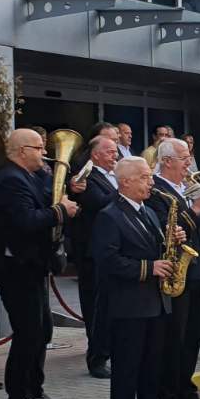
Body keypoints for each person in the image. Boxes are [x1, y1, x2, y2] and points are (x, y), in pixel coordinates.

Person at [91, 157, 181, 399]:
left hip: (154, 302)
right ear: (125, 181)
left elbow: (157, 248)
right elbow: (107, 261)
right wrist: (148, 268)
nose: (151, 182)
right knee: (127, 367)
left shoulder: (149, 213)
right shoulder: (109, 215)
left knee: (151, 363)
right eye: (144, 177)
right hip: (128, 305)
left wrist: (174, 241)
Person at [0, 128, 78, 399]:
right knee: (28, 331)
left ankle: (35, 389)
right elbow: (25, 221)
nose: (44, 153)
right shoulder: (9, 180)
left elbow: (48, 198)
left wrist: (68, 191)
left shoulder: (33, 176)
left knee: (42, 329)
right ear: (21, 150)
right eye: (38, 148)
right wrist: (60, 212)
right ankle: (18, 397)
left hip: (33, 265)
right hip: (16, 267)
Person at [148, 138, 200, 399]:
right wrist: (198, 208)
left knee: (192, 339)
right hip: (176, 272)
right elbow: (169, 229)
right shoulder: (157, 191)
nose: (189, 162)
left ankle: (185, 392)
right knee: (174, 340)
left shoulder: (186, 187)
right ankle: (168, 398)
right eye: (183, 158)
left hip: (196, 270)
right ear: (166, 161)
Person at [72, 135, 120, 377]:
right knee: (97, 307)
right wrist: (125, 188)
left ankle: (109, 350)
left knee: (110, 305)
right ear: (96, 155)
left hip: (110, 250)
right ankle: (97, 357)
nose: (116, 155)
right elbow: (98, 203)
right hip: (92, 252)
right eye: (110, 151)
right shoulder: (87, 176)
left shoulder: (110, 177)